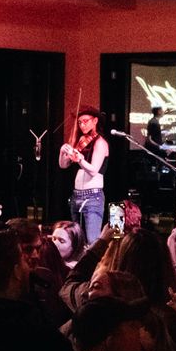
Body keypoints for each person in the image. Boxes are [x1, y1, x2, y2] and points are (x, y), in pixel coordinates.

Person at [58, 105, 109, 248]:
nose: (82, 125)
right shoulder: (81, 140)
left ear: (95, 121)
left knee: (92, 241)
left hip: (92, 196)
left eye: (85, 121)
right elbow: (63, 165)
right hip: (77, 196)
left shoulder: (100, 142)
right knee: (76, 241)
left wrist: (80, 159)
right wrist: (62, 152)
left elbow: (93, 170)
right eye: (80, 122)